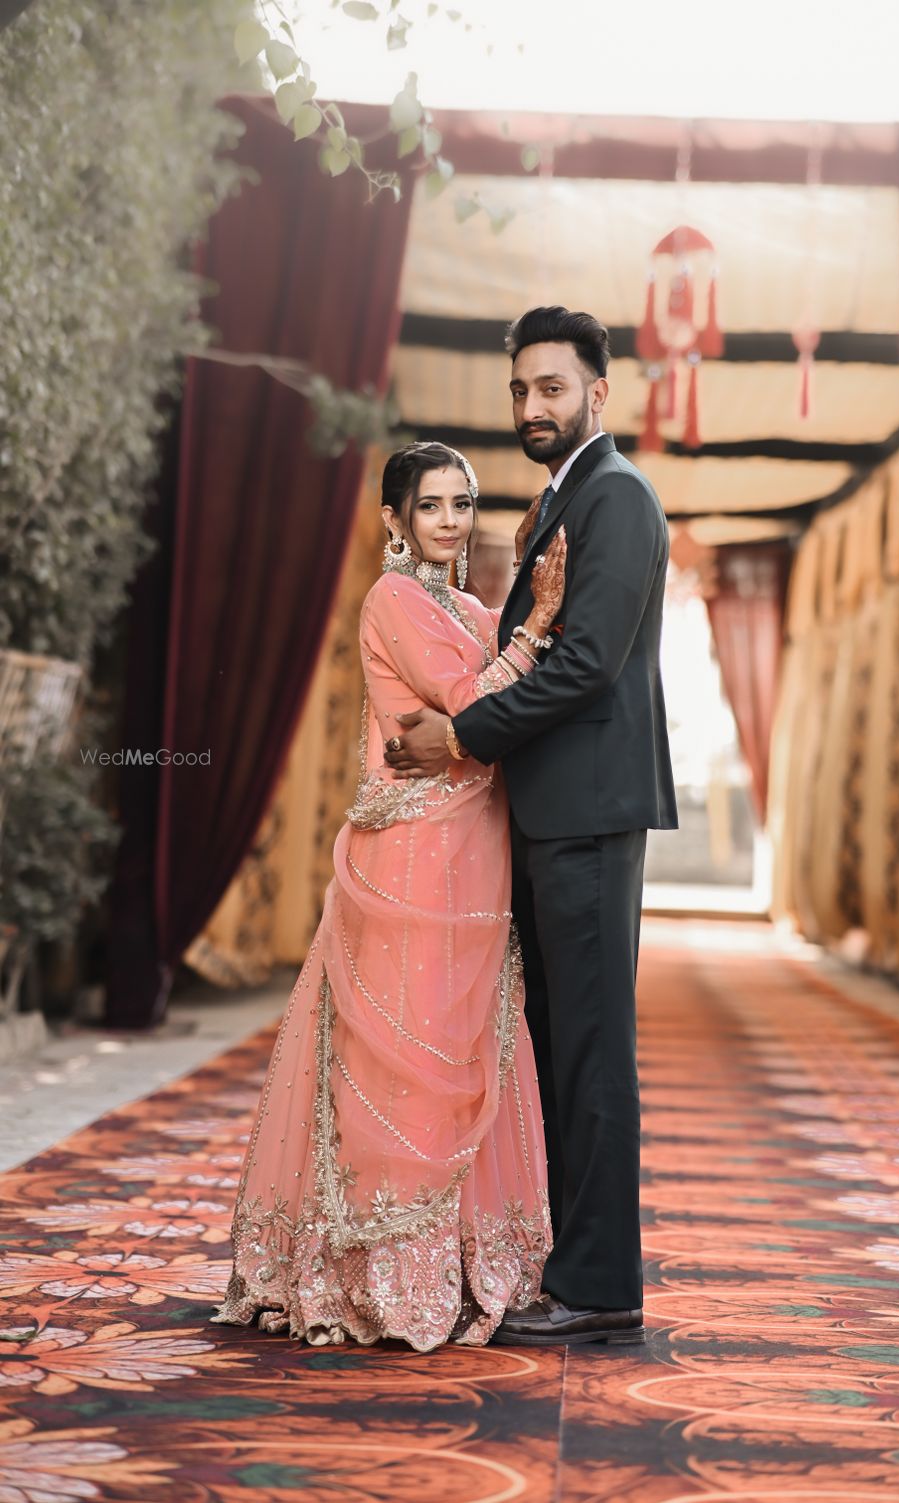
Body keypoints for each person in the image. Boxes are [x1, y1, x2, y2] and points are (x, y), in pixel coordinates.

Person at [212, 440, 567, 1352]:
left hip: (476, 849)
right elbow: (472, 701)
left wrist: (523, 616)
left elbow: (488, 710)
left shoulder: (469, 606)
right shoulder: (394, 598)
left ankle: (452, 1264)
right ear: (394, 519)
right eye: (433, 504)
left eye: (463, 503)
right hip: (409, 853)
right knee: (399, 1051)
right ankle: (371, 1271)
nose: (450, 520)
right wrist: (531, 634)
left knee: (467, 1042)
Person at [384, 307, 677, 1347]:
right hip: (553, 811)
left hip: (590, 810)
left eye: (551, 387)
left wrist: (459, 735)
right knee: (557, 1041)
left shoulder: (618, 498)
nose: (531, 407)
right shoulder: (565, 500)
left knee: (591, 1048)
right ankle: (566, 1264)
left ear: (599, 391)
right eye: (519, 390)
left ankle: (599, 1286)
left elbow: (586, 661)